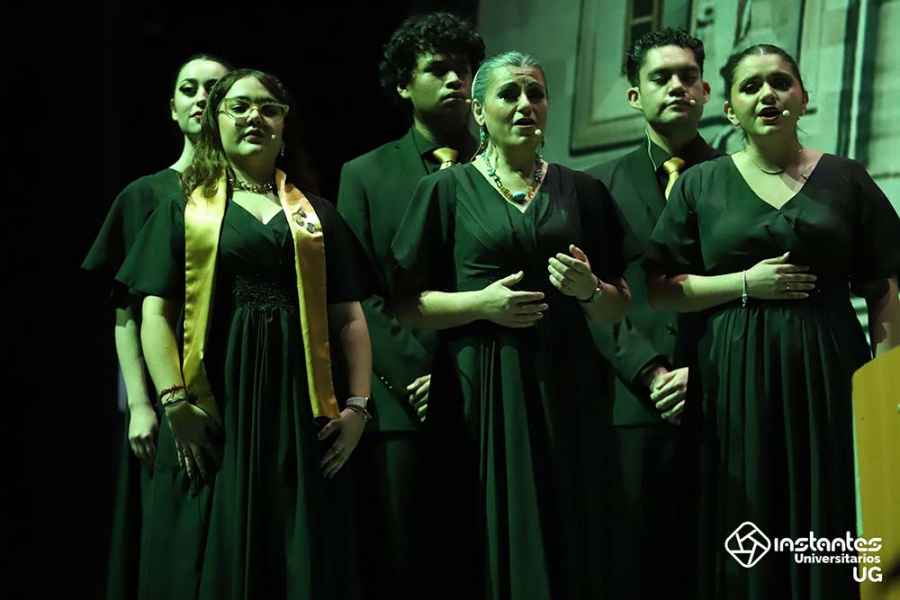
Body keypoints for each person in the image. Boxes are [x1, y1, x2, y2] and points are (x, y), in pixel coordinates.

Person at [644, 43, 900, 600]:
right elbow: (660, 289)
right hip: (732, 375)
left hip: (828, 368)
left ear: (803, 97)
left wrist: (885, 389)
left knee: (830, 514)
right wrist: (744, 283)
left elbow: (883, 287)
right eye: (751, 86)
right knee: (744, 519)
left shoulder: (846, 178)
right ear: (728, 108)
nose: (768, 95)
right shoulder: (700, 183)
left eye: (781, 82)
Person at [117, 68, 373, 599]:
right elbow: (155, 314)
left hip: (297, 406)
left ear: (284, 125)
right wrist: (173, 402)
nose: (255, 116)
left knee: (294, 542)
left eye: (268, 108)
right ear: (217, 121)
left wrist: (357, 408)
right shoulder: (181, 209)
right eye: (239, 106)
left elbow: (350, 317)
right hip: (214, 404)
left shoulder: (317, 216)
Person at [390, 50, 630, 600]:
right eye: (509, 94)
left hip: (565, 381)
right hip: (480, 382)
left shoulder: (583, 191)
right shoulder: (445, 190)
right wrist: (480, 304)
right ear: (479, 111)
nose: (525, 105)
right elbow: (405, 305)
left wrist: (589, 290)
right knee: (480, 526)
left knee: (571, 523)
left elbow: (619, 304)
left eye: (535, 93)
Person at [335, 12, 484, 597]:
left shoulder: (502, 165)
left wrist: (460, 374)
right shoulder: (364, 174)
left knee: (485, 554)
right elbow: (358, 292)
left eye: (465, 69)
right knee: (403, 558)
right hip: (404, 397)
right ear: (403, 84)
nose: (456, 79)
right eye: (438, 69)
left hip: (488, 382)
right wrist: (421, 372)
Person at [82, 53, 232, 599]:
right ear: (172, 108)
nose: (201, 98)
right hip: (173, 395)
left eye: (214, 89)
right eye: (189, 89)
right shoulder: (146, 195)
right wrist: (141, 404)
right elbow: (127, 312)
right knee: (174, 539)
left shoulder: (260, 196)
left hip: (237, 385)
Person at [587, 28, 719, 599]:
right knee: (635, 569)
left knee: (721, 562)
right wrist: (650, 370)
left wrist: (703, 371)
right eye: (660, 78)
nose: (677, 87)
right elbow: (590, 295)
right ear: (634, 96)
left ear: (706, 91)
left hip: (721, 393)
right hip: (633, 400)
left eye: (688, 76)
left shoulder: (741, 177)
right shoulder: (597, 185)